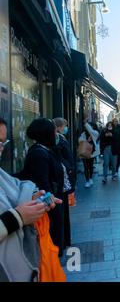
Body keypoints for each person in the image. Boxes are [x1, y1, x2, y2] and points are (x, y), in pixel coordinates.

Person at [0, 117, 62, 281]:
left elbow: (19, 188)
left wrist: (35, 198)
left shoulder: (2, 175)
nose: (1, 149)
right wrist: (18, 217)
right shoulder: (38, 153)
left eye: (2, 143)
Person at [13, 118, 68, 257]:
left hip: (55, 201)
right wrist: (53, 207)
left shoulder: (46, 150)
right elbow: (44, 183)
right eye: (54, 131)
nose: (57, 134)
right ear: (47, 134)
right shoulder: (39, 154)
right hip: (50, 205)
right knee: (52, 243)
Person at [53, 117, 74, 248]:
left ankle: (65, 241)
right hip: (63, 183)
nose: (66, 128)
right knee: (62, 214)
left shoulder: (60, 139)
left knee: (64, 214)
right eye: (65, 126)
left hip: (65, 182)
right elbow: (64, 158)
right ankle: (63, 243)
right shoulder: (58, 140)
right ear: (59, 127)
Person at [79, 121, 100, 188]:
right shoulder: (84, 134)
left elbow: (91, 131)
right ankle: (87, 180)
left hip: (92, 152)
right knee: (85, 167)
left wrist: (85, 123)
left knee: (90, 166)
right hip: (84, 151)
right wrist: (86, 141)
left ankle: (90, 178)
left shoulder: (95, 133)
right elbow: (79, 140)